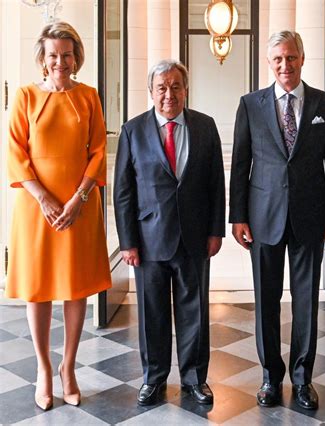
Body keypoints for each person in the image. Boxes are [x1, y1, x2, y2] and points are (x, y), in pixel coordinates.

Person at [229, 30, 325, 410]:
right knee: (266, 300)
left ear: (302, 58)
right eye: (278, 58)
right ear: (269, 62)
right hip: (263, 217)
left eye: (291, 57)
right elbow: (241, 163)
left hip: (310, 217)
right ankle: (269, 377)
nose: (285, 65)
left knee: (306, 300)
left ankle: (302, 379)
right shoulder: (250, 104)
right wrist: (238, 216)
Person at [6, 22, 112, 410]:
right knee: (38, 287)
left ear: (76, 57)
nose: (60, 62)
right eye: (53, 54)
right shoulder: (25, 96)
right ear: (43, 57)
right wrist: (44, 199)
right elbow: (15, 152)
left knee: (75, 285)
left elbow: (98, 151)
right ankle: (44, 369)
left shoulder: (88, 96)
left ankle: (68, 367)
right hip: (36, 209)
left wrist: (78, 199)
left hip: (79, 207)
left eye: (67, 54)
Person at [114, 60, 225, 407]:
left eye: (176, 86)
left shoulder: (205, 126)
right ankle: (154, 378)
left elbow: (216, 183)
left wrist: (215, 231)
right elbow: (123, 191)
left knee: (195, 312)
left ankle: (195, 379)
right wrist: (127, 242)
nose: (169, 94)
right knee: (152, 314)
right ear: (151, 91)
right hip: (149, 240)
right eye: (161, 87)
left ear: (185, 90)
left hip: (194, 237)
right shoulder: (132, 131)